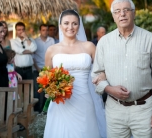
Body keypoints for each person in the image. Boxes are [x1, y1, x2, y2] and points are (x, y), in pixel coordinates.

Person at [92, 0, 152, 138]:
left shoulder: (150, 39)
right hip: (114, 110)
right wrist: (110, 89)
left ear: (133, 13)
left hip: (144, 109)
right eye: (117, 11)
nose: (122, 14)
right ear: (113, 17)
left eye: (126, 10)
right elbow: (96, 74)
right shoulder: (104, 42)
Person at [43, 9, 106, 138]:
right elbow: (46, 78)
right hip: (61, 102)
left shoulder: (89, 46)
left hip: (84, 100)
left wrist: (100, 78)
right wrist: (52, 91)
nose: (70, 27)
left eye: (74, 23)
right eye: (66, 23)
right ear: (60, 26)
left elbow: (103, 70)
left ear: (79, 26)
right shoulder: (51, 50)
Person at [33, 24, 55, 112]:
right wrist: (38, 69)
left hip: (49, 70)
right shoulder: (35, 41)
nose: (45, 32)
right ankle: (37, 111)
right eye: (43, 30)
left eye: (46, 30)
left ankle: (47, 110)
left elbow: (53, 55)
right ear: (40, 31)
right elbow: (33, 57)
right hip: (37, 69)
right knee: (38, 91)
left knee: (48, 91)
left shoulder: (51, 40)